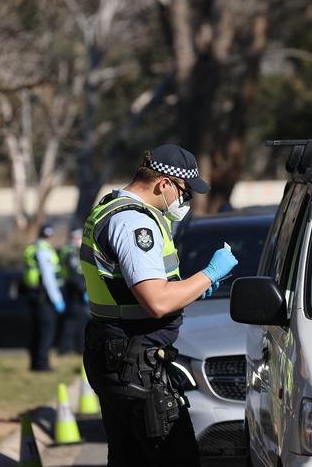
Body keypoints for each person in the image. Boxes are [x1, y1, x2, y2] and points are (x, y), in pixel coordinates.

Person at [81, 145, 238, 467]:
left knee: (129, 458)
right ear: (163, 184)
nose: (186, 201)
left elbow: (142, 290)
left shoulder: (111, 208)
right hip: (134, 361)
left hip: (119, 352)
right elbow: (156, 301)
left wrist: (190, 290)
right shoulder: (135, 224)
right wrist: (209, 274)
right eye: (185, 192)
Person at [23, 223, 66, 371]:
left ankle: (35, 363)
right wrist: (57, 299)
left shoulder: (32, 249)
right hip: (44, 297)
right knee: (46, 331)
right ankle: (42, 364)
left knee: (37, 330)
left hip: (34, 295)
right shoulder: (44, 251)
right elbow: (48, 278)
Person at [56, 228, 89, 354]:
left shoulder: (73, 250)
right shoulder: (70, 251)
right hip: (74, 289)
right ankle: (72, 347)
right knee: (76, 319)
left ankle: (71, 347)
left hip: (76, 287)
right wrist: (83, 290)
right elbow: (74, 273)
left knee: (74, 319)